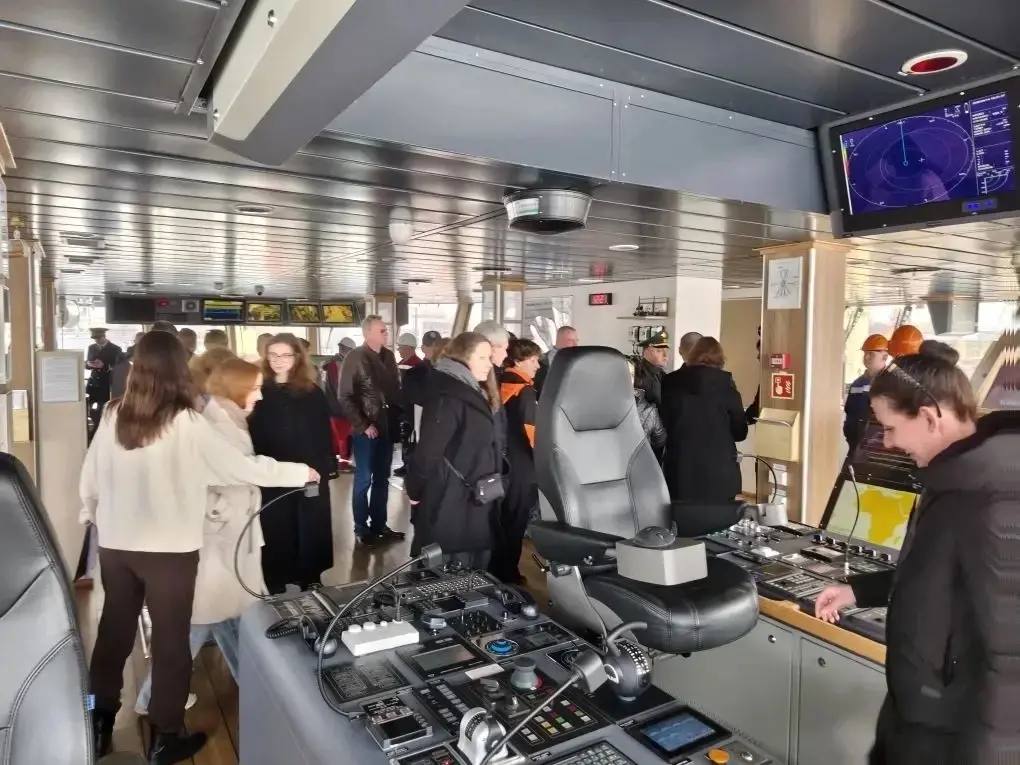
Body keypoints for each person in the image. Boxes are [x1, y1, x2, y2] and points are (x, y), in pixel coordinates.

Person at [81, 331, 314, 764]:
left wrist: (95, 516)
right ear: (178, 368)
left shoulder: (114, 413)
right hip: (170, 551)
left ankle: (97, 721)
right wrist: (300, 472)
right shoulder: (186, 422)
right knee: (172, 642)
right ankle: (166, 737)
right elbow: (238, 468)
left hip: (116, 546)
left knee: (113, 635)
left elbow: (91, 477)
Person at [814, 350, 1020, 763]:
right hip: (914, 711)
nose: (888, 442)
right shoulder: (951, 478)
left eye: (891, 428)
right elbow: (935, 573)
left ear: (928, 417)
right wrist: (858, 590)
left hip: (953, 736)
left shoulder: (996, 497)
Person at [134, 357, 264, 714]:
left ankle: (253, 686)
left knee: (227, 617)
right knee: (202, 621)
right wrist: (222, 510)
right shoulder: (216, 426)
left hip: (223, 541)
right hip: (217, 541)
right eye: (255, 388)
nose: (260, 395)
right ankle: (153, 697)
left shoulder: (222, 418)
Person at [405, 332, 501, 568]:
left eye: (489, 358)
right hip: (450, 501)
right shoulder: (448, 396)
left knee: (468, 569)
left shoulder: (468, 390)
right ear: (463, 358)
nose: (489, 365)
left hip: (468, 498)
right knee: (447, 572)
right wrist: (414, 491)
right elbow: (427, 453)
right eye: (482, 358)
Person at [249, 334, 336, 592]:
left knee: (310, 524)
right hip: (272, 470)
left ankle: (310, 576)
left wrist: (324, 469)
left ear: (297, 357)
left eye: (285, 355)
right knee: (276, 525)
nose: (278, 360)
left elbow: (323, 434)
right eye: (273, 355)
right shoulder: (259, 391)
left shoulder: (312, 392)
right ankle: (276, 578)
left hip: (309, 469)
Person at [339, 317, 406, 546]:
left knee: (382, 478)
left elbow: (395, 391)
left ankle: (379, 525)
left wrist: (400, 417)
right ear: (367, 333)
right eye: (382, 330)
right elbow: (345, 396)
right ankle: (361, 527)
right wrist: (363, 425)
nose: (386, 333)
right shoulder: (355, 357)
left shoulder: (389, 357)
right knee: (363, 478)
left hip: (386, 426)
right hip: (365, 430)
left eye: (386, 330)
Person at [661, 337, 748, 502]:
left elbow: (664, 422)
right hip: (719, 471)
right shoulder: (727, 387)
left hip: (680, 468)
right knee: (718, 516)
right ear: (720, 359)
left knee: (681, 515)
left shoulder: (669, 382)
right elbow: (739, 433)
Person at [490, 338, 541, 583]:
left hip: (501, 461)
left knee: (500, 519)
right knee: (516, 520)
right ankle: (508, 573)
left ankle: (492, 569)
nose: (538, 366)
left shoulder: (498, 382)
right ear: (519, 361)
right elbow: (533, 433)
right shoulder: (525, 391)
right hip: (522, 465)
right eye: (533, 360)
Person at [844, 334, 889, 452]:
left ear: (884, 356)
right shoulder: (857, 384)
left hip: (879, 448)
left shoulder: (891, 383)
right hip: (856, 445)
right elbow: (849, 412)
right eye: (865, 353)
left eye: (871, 354)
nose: (866, 357)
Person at [323, 337, 357, 469]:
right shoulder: (336, 365)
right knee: (344, 437)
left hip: (336, 407)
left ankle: (339, 463)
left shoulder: (337, 363)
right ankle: (343, 464)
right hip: (340, 408)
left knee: (339, 438)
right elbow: (340, 388)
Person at [85, 328, 123, 431]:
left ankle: (104, 428)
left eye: (98, 338)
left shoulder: (115, 349)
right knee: (90, 407)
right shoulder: (91, 347)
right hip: (93, 382)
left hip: (107, 382)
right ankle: (94, 427)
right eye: (94, 338)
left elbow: (119, 366)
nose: (96, 340)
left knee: (104, 407)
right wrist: (89, 364)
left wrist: (104, 365)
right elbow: (88, 362)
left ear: (104, 336)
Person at [628, 358, 666, 459]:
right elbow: (659, 441)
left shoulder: (650, 411)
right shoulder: (650, 411)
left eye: (631, 374)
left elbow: (660, 440)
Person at [534, 325, 578, 397]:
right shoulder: (539, 361)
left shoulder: (579, 361)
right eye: (570, 340)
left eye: (576, 340)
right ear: (559, 340)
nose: (575, 344)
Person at [633, 329, 670, 412]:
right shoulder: (638, 375)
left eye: (666, 351)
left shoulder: (661, 374)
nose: (665, 356)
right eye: (659, 351)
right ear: (646, 352)